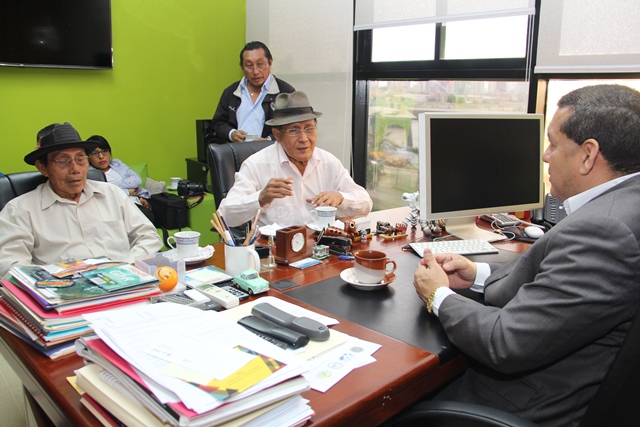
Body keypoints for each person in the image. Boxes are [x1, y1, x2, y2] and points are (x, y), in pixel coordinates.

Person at [411, 84, 640, 427]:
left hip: (525, 404)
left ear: (588, 154)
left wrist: (438, 295)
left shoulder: (604, 229)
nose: (545, 156)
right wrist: (478, 274)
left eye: (554, 145)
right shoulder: (626, 205)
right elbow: (555, 283)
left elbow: (505, 343)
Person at [0, 122, 162, 277]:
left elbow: (148, 236)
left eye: (80, 159)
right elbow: (11, 266)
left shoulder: (112, 194)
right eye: (63, 161)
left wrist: (127, 267)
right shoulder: (20, 210)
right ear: (43, 168)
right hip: (64, 290)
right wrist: (54, 282)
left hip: (126, 282)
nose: (75, 169)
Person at [218, 91, 373, 227]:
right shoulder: (256, 165)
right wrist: (260, 198)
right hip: (275, 248)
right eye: (294, 131)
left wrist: (340, 198)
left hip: (321, 246)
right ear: (277, 135)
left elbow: (366, 204)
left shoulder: (328, 162)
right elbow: (224, 216)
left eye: (309, 129)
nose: (304, 138)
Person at [209, 41, 295, 144]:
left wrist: (269, 140)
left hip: (272, 151)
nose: (255, 71)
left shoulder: (285, 92)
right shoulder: (231, 92)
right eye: (249, 65)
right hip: (237, 151)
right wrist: (232, 134)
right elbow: (218, 123)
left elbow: (293, 126)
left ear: (270, 63)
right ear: (242, 66)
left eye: (260, 64)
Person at [86, 134, 155, 224]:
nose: (101, 156)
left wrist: (111, 187)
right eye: (95, 153)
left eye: (104, 151)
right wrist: (128, 191)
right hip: (116, 208)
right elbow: (104, 195)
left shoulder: (117, 164)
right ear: (88, 157)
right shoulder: (90, 174)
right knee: (146, 217)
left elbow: (137, 180)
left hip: (136, 201)